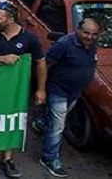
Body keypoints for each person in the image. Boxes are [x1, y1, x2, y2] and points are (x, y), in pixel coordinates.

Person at [0, 2, 47, 178]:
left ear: (10, 18)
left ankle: (7, 158)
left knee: (10, 118)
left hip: (14, 88)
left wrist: (41, 90)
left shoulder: (29, 38)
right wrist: (1, 58)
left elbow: (40, 63)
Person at [35, 18, 100, 178]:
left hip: (75, 92)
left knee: (56, 120)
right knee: (57, 127)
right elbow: (44, 65)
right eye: (86, 32)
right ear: (78, 30)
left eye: (94, 34)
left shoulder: (91, 46)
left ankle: (41, 123)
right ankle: (49, 158)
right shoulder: (63, 44)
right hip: (58, 91)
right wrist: (41, 89)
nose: (89, 37)